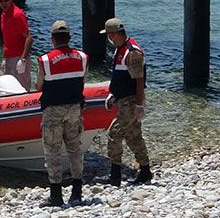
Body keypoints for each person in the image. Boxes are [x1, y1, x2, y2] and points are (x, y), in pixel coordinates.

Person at [35, 20, 89, 206]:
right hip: (74, 108)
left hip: (53, 110)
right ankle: (77, 191)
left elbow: (38, 86)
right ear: (69, 37)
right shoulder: (82, 57)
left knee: (52, 151)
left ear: (52, 39)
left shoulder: (45, 60)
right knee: (75, 149)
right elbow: (82, 80)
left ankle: (56, 195)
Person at [100, 18, 152, 186]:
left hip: (130, 101)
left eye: (109, 35)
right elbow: (122, 78)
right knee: (133, 136)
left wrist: (139, 105)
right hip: (123, 99)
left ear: (114, 34)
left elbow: (138, 81)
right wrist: (113, 95)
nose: (108, 38)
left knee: (114, 134)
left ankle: (115, 175)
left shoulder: (132, 52)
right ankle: (145, 170)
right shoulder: (120, 50)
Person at [0, 0, 33, 91]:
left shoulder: (17, 15)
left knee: (22, 89)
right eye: (0, 0)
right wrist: (3, 57)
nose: (4, 3)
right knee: (9, 89)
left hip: (19, 58)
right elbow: (7, 38)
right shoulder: (3, 14)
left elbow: (29, 38)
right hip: (8, 58)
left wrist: (23, 59)